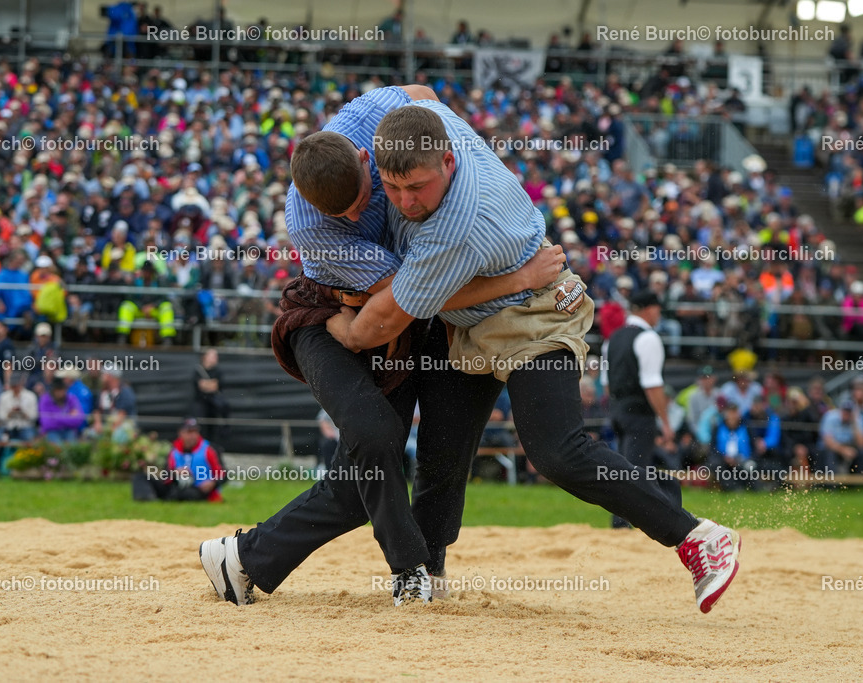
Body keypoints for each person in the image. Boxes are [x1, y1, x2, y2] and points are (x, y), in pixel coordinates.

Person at [324, 102, 741, 612]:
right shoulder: (437, 125)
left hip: (535, 313)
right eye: (393, 188)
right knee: (440, 448)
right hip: (475, 325)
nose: (406, 203)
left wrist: (340, 331)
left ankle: (698, 536)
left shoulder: (457, 226)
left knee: (557, 451)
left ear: (449, 163)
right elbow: (417, 88)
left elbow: (391, 316)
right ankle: (426, 574)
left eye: (419, 188)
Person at [200, 86, 563, 607]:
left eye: (359, 204)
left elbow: (422, 95)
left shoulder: (373, 116)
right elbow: (408, 295)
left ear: (367, 155)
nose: (353, 220)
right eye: (338, 214)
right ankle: (411, 569)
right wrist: (519, 277)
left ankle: (239, 559)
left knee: (365, 481)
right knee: (374, 436)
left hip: (392, 320)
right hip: (327, 315)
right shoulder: (309, 225)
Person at [603, 289, 673, 528]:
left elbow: (606, 383)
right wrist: (665, 422)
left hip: (617, 409)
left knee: (624, 465)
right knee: (636, 469)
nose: (659, 313)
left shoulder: (612, 338)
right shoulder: (648, 338)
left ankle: (620, 518)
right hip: (639, 412)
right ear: (649, 309)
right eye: (657, 309)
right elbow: (652, 385)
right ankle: (625, 522)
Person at [132, 418, 224, 502]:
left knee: (188, 494)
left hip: (198, 488)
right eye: (189, 432)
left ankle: (167, 498)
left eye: (195, 432)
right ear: (181, 433)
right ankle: (146, 498)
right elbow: (166, 474)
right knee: (141, 477)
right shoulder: (173, 450)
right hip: (176, 485)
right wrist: (175, 472)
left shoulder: (209, 449)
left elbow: (223, 474)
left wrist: (213, 482)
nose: (193, 436)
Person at [817, 400, 863, 474]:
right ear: (840, 410)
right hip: (832, 448)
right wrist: (843, 450)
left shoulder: (858, 419)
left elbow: (862, 444)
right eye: (845, 411)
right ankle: (832, 483)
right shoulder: (830, 417)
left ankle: (858, 482)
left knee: (862, 453)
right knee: (829, 454)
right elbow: (827, 442)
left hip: (849, 447)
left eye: (849, 411)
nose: (846, 414)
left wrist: (854, 424)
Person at [192, 347, 230, 443]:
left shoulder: (218, 371)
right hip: (201, 404)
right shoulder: (198, 370)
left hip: (214, 406)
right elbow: (201, 385)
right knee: (201, 427)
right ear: (205, 357)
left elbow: (215, 386)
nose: (216, 358)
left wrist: (207, 384)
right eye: (213, 356)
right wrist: (210, 384)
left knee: (214, 429)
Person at [38, 377, 85, 444]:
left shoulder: (71, 398)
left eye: (62, 390)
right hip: (52, 432)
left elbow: (78, 419)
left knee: (73, 449)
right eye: (58, 390)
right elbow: (46, 423)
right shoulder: (45, 400)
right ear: (53, 390)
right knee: (58, 449)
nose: (61, 392)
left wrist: (55, 418)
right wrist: (68, 417)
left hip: (69, 430)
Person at [0, 373, 39, 443]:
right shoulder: (3, 396)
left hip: (25, 426)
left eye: (16, 385)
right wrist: (10, 413)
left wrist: (23, 413)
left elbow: (34, 416)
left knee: (30, 438)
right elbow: (0, 417)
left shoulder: (30, 396)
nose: (15, 388)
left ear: (21, 383)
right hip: (8, 427)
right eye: (13, 385)